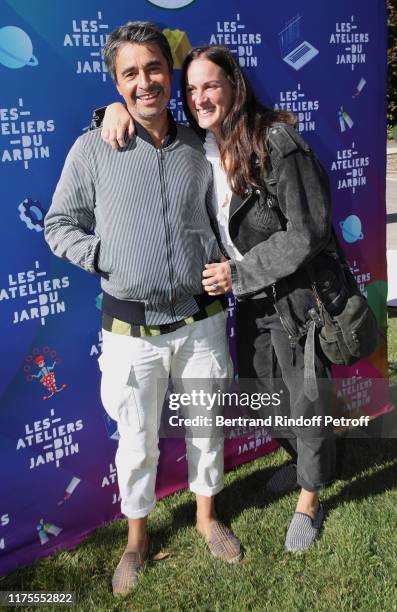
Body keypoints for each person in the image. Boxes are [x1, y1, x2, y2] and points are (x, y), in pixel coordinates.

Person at [101, 43, 338, 554]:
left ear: (234, 86)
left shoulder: (276, 140)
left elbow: (310, 230)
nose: (200, 96)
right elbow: (143, 120)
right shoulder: (202, 144)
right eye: (192, 88)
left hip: (294, 296)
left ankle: (311, 497)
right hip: (252, 299)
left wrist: (241, 272)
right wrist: (109, 110)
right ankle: (302, 463)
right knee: (267, 396)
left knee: (306, 396)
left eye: (211, 84)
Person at [44, 24, 242, 598]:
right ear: (116, 84)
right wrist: (105, 254)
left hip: (201, 321)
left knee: (206, 426)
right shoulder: (93, 148)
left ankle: (207, 518)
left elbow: (225, 211)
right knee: (136, 442)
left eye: (153, 67)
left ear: (169, 71)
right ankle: (136, 538)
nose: (145, 81)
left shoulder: (198, 145)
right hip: (131, 332)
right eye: (129, 73)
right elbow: (59, 226)